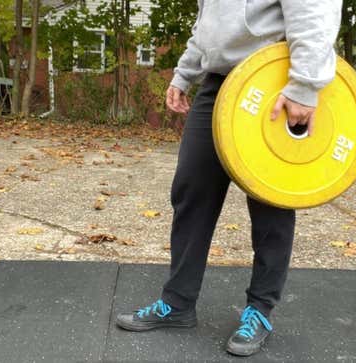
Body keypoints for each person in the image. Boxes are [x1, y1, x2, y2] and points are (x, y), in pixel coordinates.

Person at [117, 0, 342, 357]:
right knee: (191, 188)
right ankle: (177, 304)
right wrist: (184, 73)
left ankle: (260, 311)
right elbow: (209, 26)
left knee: (271, 202)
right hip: (219, 84)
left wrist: (304, 84)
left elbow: (315, 11)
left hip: (273, 84)